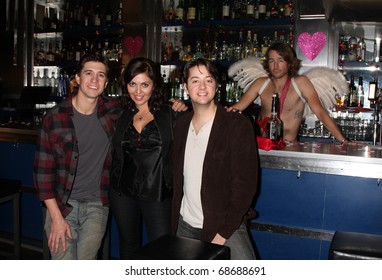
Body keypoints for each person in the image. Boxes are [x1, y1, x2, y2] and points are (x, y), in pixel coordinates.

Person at [33, 53, 121, 259]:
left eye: (100, 75)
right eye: (88, 73)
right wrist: (56, 217)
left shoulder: (114, 111)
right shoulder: (54, 117)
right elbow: (42, 177)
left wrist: (175, 105)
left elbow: (143, 101)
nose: (94, 80)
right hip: (62, 205)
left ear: (106, 83)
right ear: (78, 78)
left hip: (97, 205)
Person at [171, 58, 258, 260]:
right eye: (195, 80)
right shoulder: (181, 125)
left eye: (208, 80)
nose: (202, 86)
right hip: (185, 223)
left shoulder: (236, 125)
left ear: (216, 86)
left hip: (224, 225)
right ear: (185, 87)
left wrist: (223, 233)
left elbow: (244, 187)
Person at [109, 57, 187, 259]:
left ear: (155, 85)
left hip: (158, 193)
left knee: (162, 251)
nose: (138, 91)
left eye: (145, 84)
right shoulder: (121, 113)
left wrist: (185, 105)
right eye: (132, 84)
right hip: (123, 193)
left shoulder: (171, 112)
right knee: (127, 247)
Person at [229, 42, 350, 144]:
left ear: (289, 63)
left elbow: (320, 113)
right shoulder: (261, 83)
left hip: (290, 147)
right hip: (265, 148)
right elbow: (236, 109)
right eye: (272, 61)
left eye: (280, 60)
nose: (275, 66)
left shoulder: (300, 83)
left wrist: (344, 141)